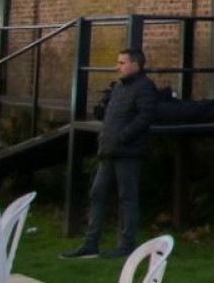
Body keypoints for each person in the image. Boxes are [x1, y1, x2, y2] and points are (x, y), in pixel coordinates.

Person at [60, 49, 158, 260]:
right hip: (108, 151)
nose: (117, 66)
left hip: (128, 152)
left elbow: (145, 117)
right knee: (97, 194)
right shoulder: (120, 87)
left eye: (122, 63)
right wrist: (105, 139)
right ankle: (90, 243)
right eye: (118, 62)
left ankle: (126, 245)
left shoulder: (145, 88)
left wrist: (122, 137)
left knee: (127, 198)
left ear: (135, 65)